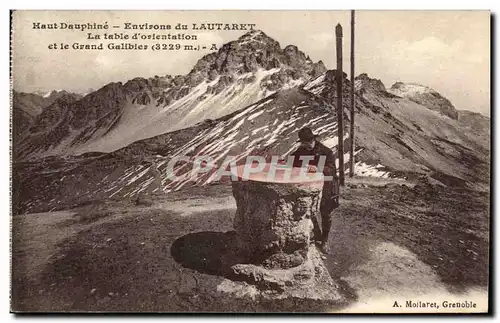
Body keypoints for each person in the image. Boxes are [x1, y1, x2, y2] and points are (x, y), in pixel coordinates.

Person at [290, 127, 340, 254]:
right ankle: (317, 233)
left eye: (308, 142)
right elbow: (292, 160)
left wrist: (317, 168)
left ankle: (325, 241)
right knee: (309, 210)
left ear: (313, 139)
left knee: (325, 213)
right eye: (304, 143)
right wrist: (286, 162)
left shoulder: (326, 152)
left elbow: (332, 170)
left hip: (327, 186)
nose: (306, 146)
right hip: (310, 187)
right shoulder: (301, 151)